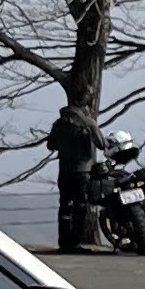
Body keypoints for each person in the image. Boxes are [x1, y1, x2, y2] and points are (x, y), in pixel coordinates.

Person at [45, 97, 101, 252]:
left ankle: (64, 244)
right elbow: (101, 144)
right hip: (82, 171)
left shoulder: (59, 124)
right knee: (81, 207)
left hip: (64, 171)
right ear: (85, 108)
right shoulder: (88, 123)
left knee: (65, 207)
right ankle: (76, 243)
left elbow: (50, 145)